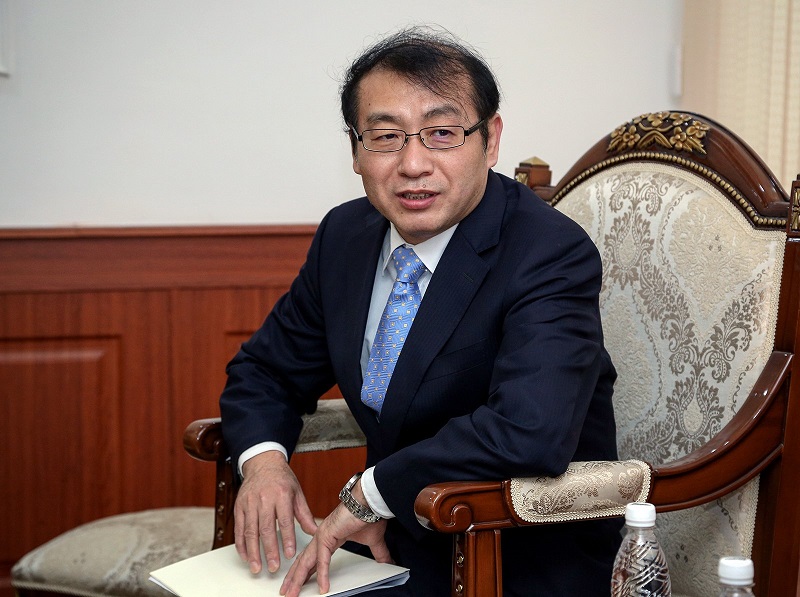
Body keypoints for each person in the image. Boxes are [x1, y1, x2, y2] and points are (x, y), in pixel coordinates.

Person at [219, 26, 621, 597]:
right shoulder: (345, 236)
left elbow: (529, 430)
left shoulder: (548, 252)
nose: (413, 164)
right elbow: (265, 371)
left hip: (512, 558)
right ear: (356, 150)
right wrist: (263, 464)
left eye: (442, 133)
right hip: (390, 548)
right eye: (385, 137)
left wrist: (369, 494)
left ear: (491, 141)